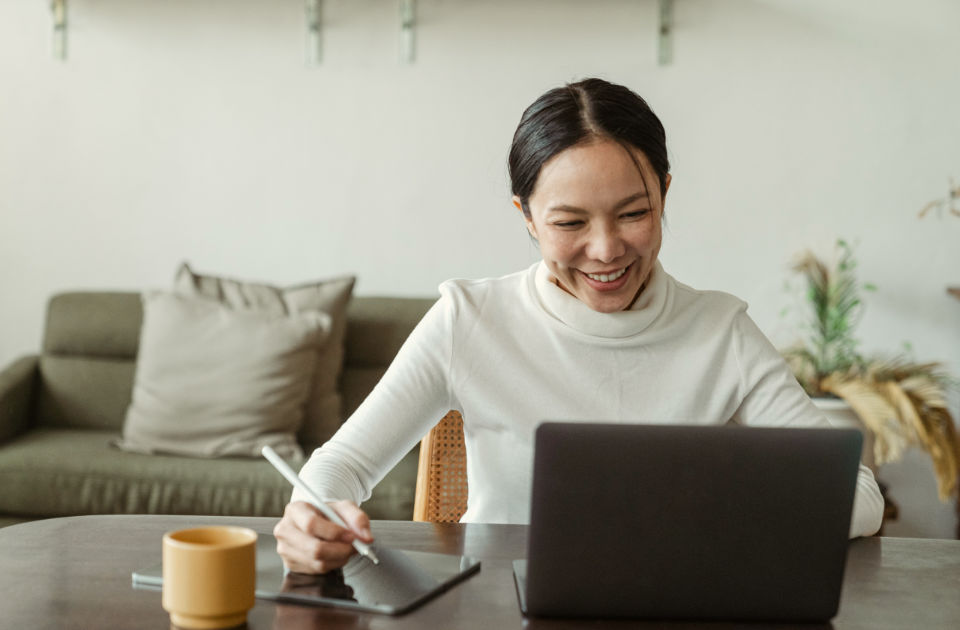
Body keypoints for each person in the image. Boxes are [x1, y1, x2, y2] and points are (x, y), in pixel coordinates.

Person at [274, 78, 884, 574]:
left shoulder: (720, 331)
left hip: (673, 606)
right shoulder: (469, 320)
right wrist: (312, 516)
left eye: (634, 213)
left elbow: (858, 495)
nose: (606, 250)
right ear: (528, 218)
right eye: (569, 223)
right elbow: (339, 466)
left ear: (664, 195)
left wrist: (724, 510)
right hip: (497, 605)